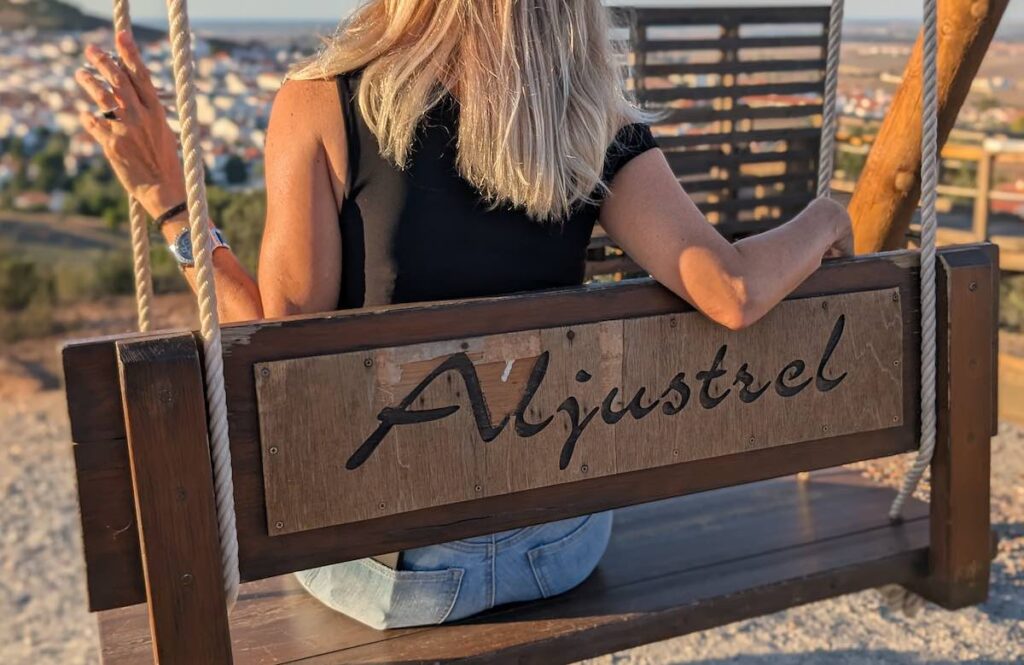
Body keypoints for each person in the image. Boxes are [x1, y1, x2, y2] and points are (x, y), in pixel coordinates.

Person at [75, 0, 853, 631]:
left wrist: (173, 205)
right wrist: (826, 218)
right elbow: (733, 290)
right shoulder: (593, 125)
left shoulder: (321, 104)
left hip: (396, 572)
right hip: (559, 542)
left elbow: (271, 351)